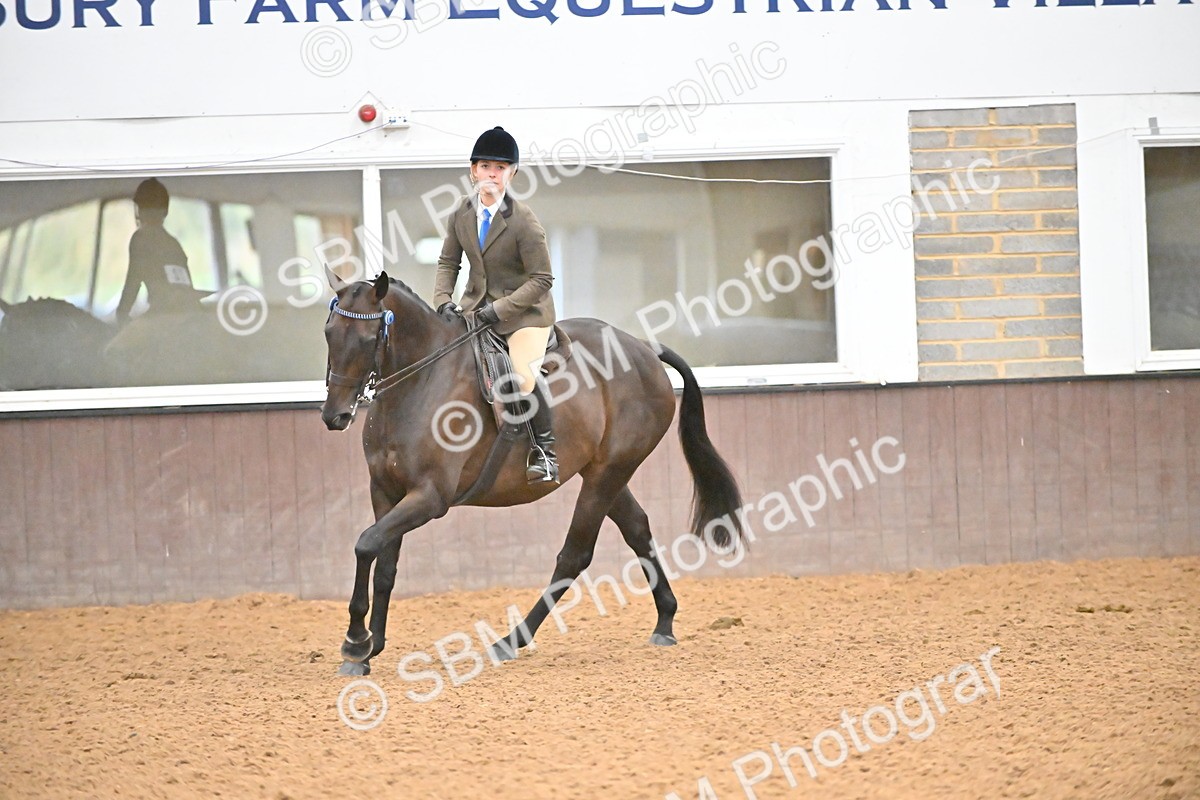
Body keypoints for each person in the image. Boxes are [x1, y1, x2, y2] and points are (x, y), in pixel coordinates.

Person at [433, 126, 559, 485]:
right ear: (473, 170)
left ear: (512, 174)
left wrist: (499, 309)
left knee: (521, 374)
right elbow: (448, 263)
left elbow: (542, 279)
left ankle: (545, 453)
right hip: (474, 310)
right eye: (486, 166)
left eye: (500, 168)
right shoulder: (461, 213)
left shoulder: (523, 220)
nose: (492, 174)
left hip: (524, 315)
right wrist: (443, 301)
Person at [114, 178, 198, 322]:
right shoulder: (174, 243)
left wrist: (121, 313)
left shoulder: (141, 238)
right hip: (187, 314)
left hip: (163, 315)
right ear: (165, 211)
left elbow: (133, 282)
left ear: (139, 210)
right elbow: (187, 288)